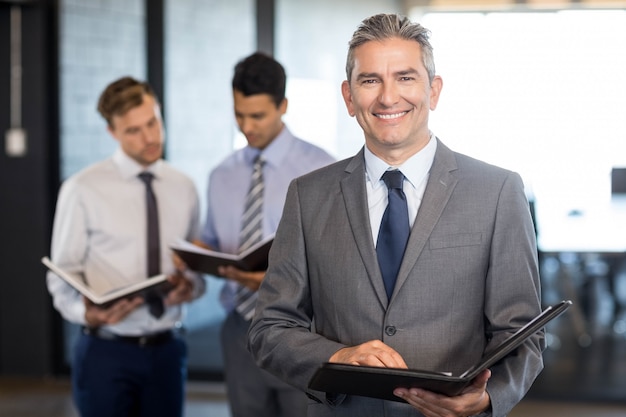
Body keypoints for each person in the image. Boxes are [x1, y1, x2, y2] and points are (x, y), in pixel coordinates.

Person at [248, 13, 544, 417]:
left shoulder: (497, 191)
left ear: (434, 90)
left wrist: (489, 397)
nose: (388, 98)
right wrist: (340, 357)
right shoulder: (307, 196)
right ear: (349, 97)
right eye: (370, 80)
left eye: (405, 77)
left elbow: (523, 333)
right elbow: (270, 329)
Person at [46, 76, 205, 417]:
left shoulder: (184, 187)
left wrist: (189, 287)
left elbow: (196, 266)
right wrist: (86, 313)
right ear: (112, 133)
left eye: (153, 122)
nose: (149, 137)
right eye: (133, 130)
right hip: (106, 352)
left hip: (168, 349)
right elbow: (61, 276)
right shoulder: (82, 189)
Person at [199, 52, 335, 416]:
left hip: (302, 332)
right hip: (239, 330)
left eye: (257, 116)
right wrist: (200, 254)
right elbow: (212, 241)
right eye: (239, 115)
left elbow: (339, 262)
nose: (247, 126)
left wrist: (275, 282)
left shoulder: (323, 170)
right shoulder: (221, 175)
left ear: (283, 106)